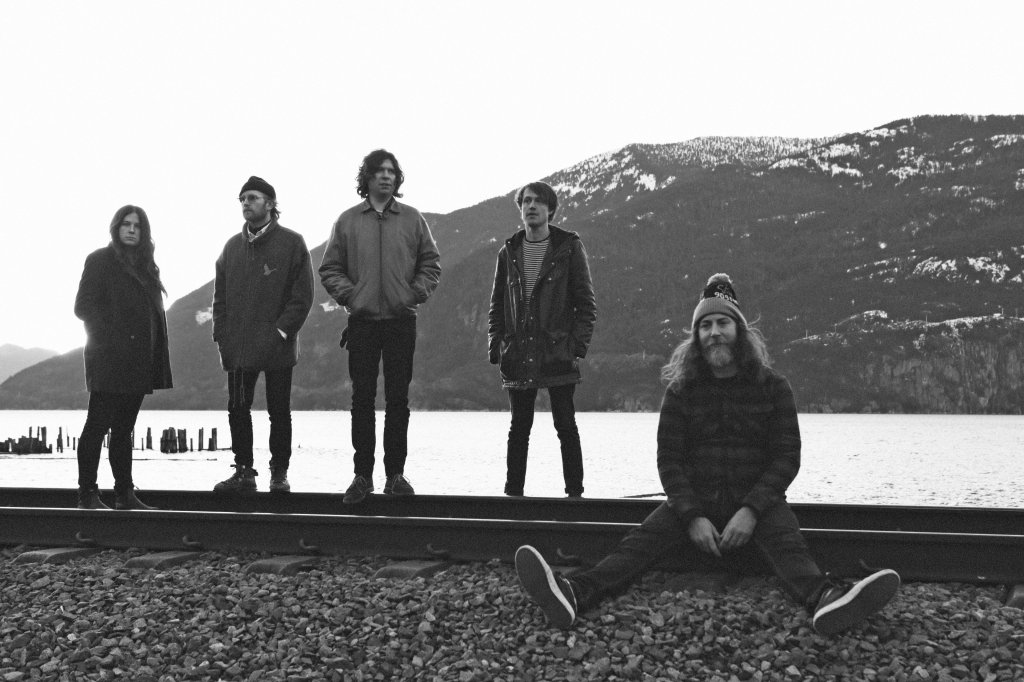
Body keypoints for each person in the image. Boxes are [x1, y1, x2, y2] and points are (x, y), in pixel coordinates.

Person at [515, 273, 900, 635]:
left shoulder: (773, 387)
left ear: (739, 331)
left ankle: (828, 600)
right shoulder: (681, 390)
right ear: (697, 336)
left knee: (789, 547)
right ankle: (573, 594)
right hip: (692, 503)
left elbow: (786, 457)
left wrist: (750, 512)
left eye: (722, 324)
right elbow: (669, 459)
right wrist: (691, 515)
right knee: (637, 546)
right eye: (705, 326)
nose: (714, 333)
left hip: (757, 505)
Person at [320, 149, 441, 504]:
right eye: (380, 171)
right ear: (368, 178)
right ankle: (362, 476)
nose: (387, 176)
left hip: (402, 321)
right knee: (361, 400)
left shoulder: (413, 219)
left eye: (392, 171)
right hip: (362, 323)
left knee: (399, 400)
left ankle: (395, 475)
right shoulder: (347, 221)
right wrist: (352, 297)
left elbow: (431, 264)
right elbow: (330, 269)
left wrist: (412, 294)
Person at [488, 181, 597, 497]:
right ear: (520, 209)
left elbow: (586, 303)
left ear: (550, 209)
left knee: (566, 426)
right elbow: (496, 305)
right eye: (526, 201)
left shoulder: (569, 248)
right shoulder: (507, 252)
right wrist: (497, 347)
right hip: (518, 354)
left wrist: (575, 346)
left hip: (557, 352)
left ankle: (575, 495)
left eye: (538, 201)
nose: (531, 206)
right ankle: (513, 496)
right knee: (519, 429)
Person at [212, 176, 314, 494]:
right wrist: (221, 336)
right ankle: (244, 472)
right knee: (238, 408)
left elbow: (303, 296)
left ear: (270, 204)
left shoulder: (292, 243)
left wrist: (282, 331)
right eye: (242, 198)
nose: (245, 203)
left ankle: (278, 474)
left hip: (277, 346)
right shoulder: (231, 247)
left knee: (278, 411)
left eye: (252, 198)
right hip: (240, 347)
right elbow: (220, 298)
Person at [74, 205, 173, 510]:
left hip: (139, 361)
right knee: (97, 425)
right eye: (126, 224)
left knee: (124, 430)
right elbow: (83, 307)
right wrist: (111, 339)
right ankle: (87, 495)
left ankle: (124, 494)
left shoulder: (146, 266)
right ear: (116, 228)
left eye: (138, 226)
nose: (132, 230)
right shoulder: (100, 261)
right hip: (108, 359)